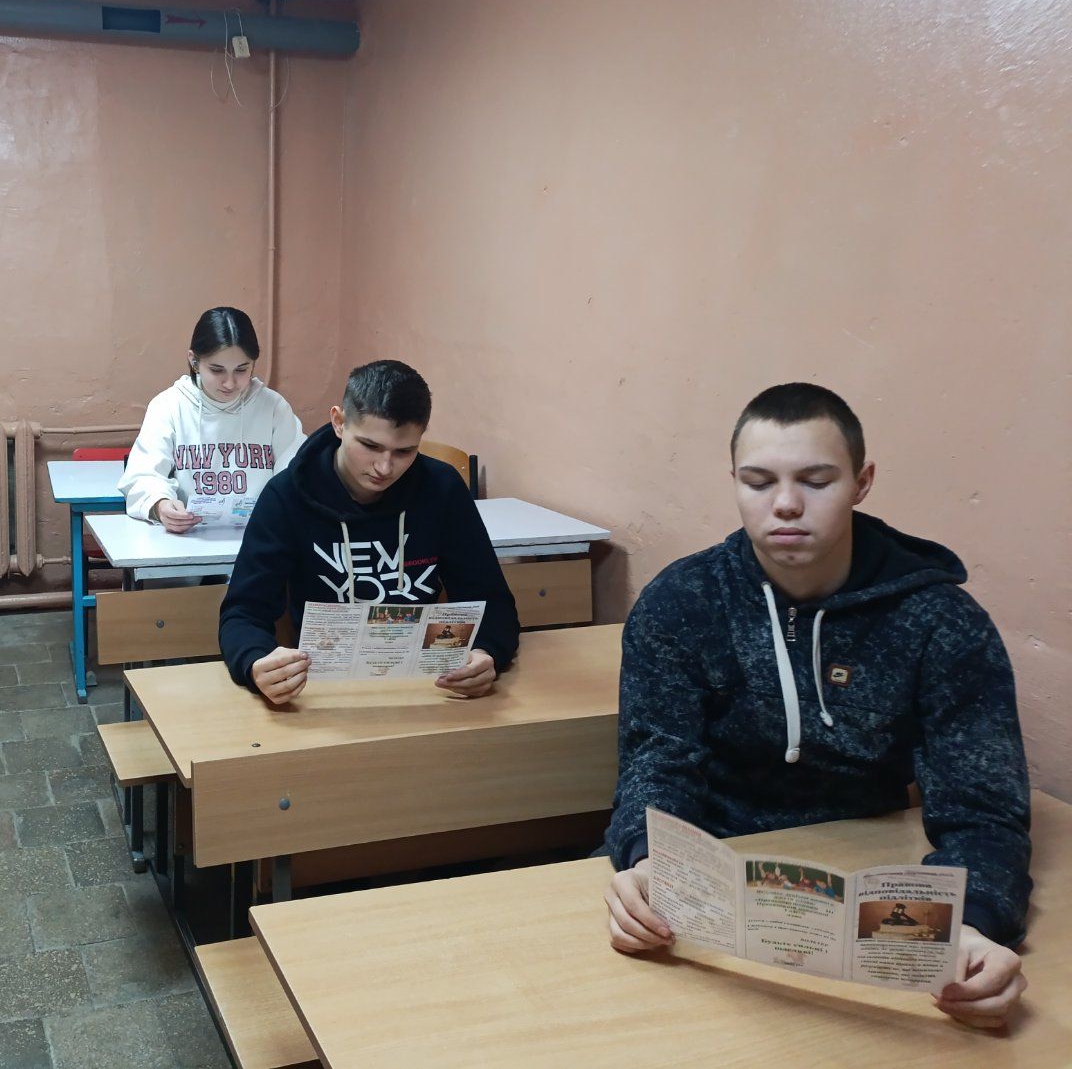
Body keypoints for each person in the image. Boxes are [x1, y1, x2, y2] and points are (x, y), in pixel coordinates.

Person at [601, 383, 1031, 1029]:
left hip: (866, 873)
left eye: (816, 480)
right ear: (734, 482)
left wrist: (972, 924)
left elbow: (983, 808)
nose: (785, 504)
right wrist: (647, 859)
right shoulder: (681, 602)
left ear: (862, 482)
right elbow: (656, 761)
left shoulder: (941, 621)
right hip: (706, 870)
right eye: (758, 481)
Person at [219, 359, 519, 703]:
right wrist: (256, 662)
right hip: (321, 690)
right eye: (370, 446)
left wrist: (486, 652)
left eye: (404, 451)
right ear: (339, 422)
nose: (384, 467)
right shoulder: (286, 496)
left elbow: (492, 601)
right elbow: (243, 612)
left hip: (428, 687)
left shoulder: (443, 489)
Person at [117, 306, 303, 533]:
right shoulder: (169, 406)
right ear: (194, 361)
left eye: (242, 370)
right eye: (217, 370)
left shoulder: (273, 408)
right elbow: (143, 474)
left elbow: (297, 474)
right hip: (186, 539)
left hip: (260, 537)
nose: (230, 383)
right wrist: (160, 505)